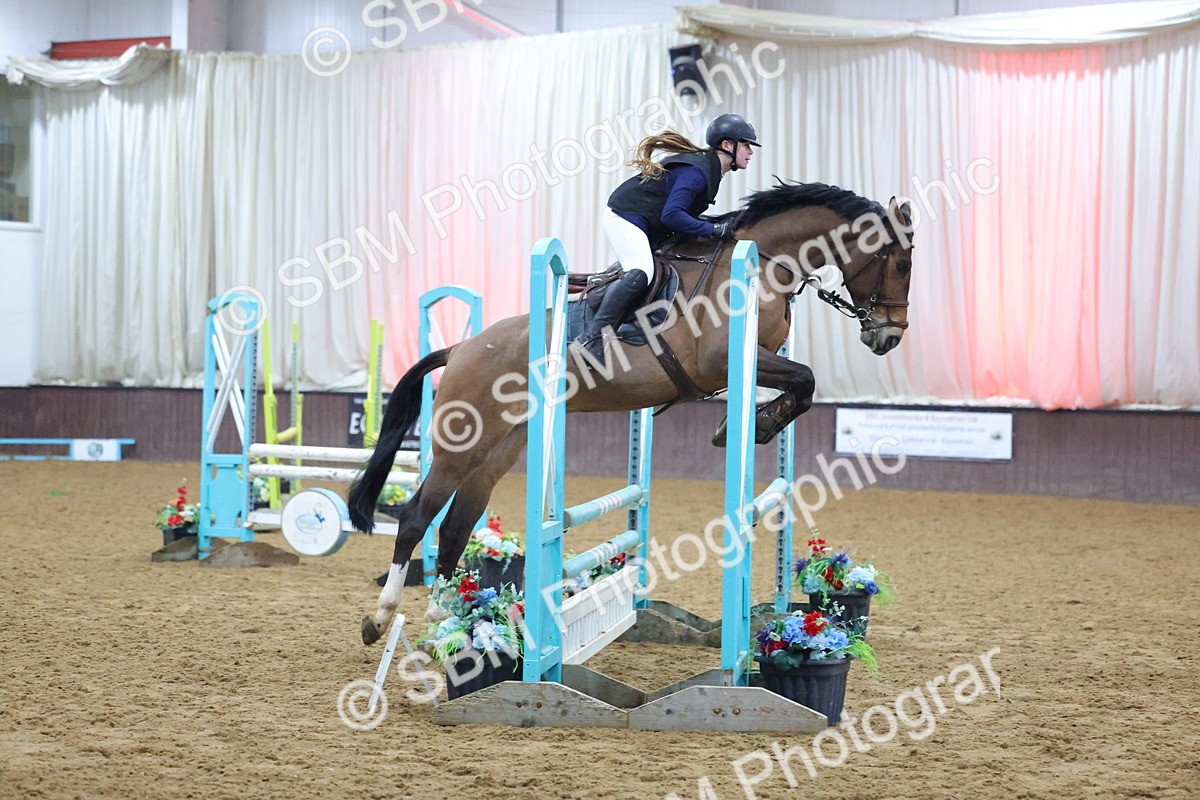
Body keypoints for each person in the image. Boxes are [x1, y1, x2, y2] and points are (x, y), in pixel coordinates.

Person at [572, 113, 761, 365]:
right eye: (747, 145)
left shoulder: (710, 170)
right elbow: (672, 215)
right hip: (625, 216)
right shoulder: (698, 173)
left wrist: (711, 226)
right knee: (642, 271)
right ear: (727, 145)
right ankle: (591, 338)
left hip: (646, 220)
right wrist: (712, 230)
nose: (750, 152)